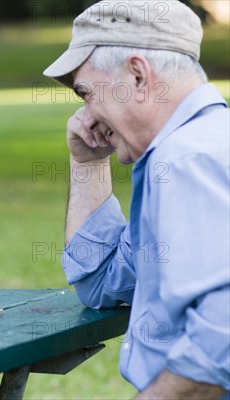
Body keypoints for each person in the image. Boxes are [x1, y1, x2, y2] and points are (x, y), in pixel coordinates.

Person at [43, 1, 229, 399]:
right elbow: (103, 284)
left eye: (87, 93)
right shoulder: (190, 150)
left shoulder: (186, 160)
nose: (86, 115)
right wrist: (87, 162)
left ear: (138, 76)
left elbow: (223, 334)